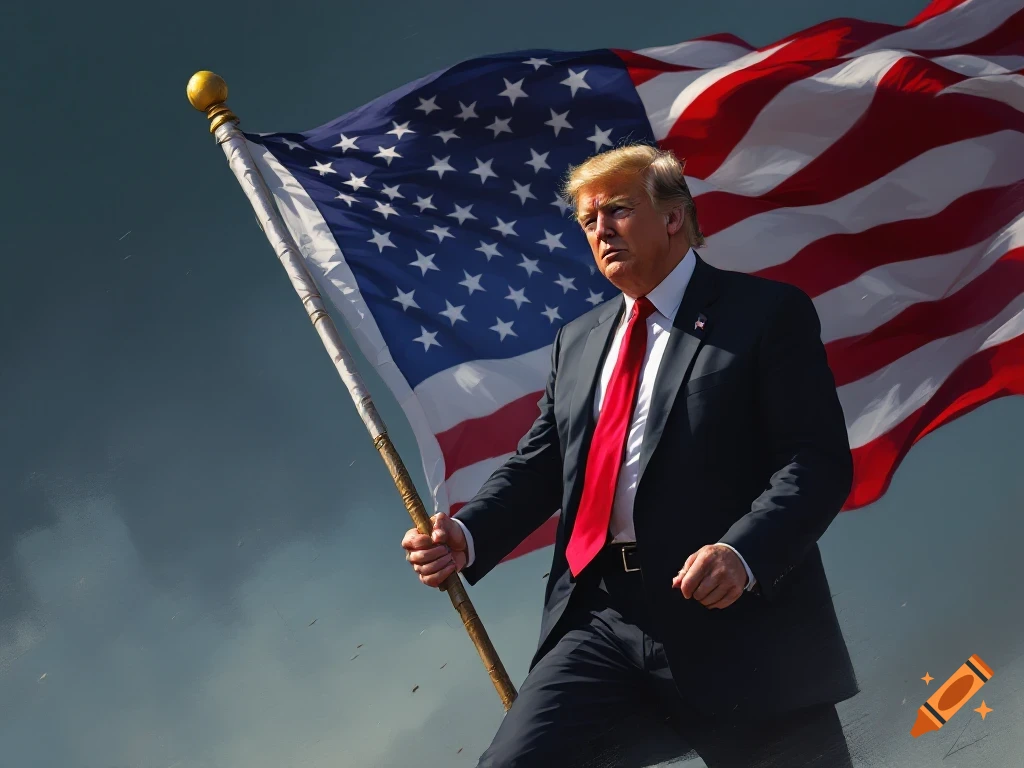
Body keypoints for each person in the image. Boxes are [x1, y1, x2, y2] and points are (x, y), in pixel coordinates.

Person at [401, 144, 859, 767]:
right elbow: (543, 464)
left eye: (617, 209)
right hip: (601, 618)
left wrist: (743, 553)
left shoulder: (764, 314)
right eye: (588, 220)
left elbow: (815, 461)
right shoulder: (578, 341)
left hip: (734, 618)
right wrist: (468, 534)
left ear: (673, 216)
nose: (601, 230)